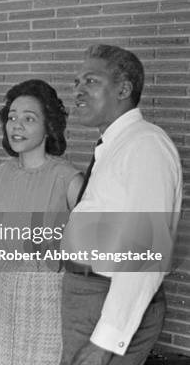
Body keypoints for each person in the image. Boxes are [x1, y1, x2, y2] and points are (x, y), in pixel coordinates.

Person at [60, 44, 182, 365]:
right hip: (88, 296)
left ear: (124, 89)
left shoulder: (145, 146)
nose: (78, 91)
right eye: (76, 83)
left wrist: (105, 342)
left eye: (91, 81)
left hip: (105, 301)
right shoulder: (115, 145)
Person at [0, 79, 83, 365]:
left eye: (28, 118)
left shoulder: (69, 179)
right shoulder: (0, 174)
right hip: (6, 303)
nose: (17, 126)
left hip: (51, 303)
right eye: (11, 117)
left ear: (49, 126)